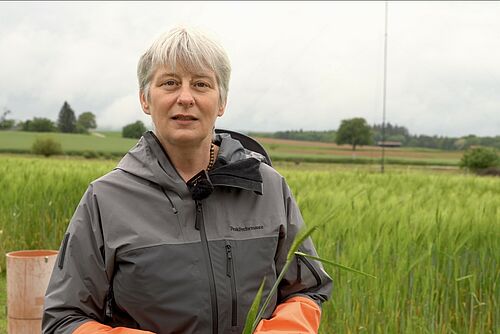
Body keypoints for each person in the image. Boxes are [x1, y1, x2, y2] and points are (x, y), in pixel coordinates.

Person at [42, 26, 332, 334]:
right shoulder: (105, 199)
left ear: (221, 102)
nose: (185, 97)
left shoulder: (269, 188)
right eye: (169, 83)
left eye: (201, 84)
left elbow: (308, 288)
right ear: (145, 99)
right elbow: (64, 318)